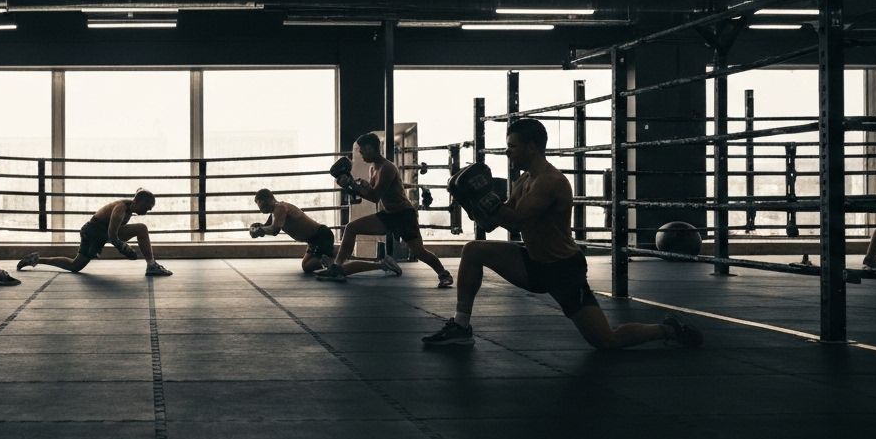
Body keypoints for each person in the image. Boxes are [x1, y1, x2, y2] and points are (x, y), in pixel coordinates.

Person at [423, 118, 703, 349]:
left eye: (512, 146)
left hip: (563, 270)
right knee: (473, 250)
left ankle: (668, 330)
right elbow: (493, 225)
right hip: (533, 262)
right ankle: (461, 325)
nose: (507, 152)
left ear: (530, 147)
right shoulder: (524, 180)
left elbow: (517, 220)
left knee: (606, 340)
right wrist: (471, 203)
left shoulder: (550, 181)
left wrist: (485, 198)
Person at [319, 133, 454, 286]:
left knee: (419, 251)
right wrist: (352, 186)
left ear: (371, 148)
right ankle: (336, 268)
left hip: (403, 215)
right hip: (388, 214)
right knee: (351, 228)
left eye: (362, 150)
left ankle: (444, 274)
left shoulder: (387, 168)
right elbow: (369, 193)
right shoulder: (373, 168)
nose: (361, 154)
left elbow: (375, 196)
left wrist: (355, 187)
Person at [16, 189, 172, 276]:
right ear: (138, 202)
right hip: (95, 232)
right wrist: (125, 249)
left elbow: (112, 233)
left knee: (75, 265)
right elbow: (112, 235)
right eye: (147, 206)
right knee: (142, 228)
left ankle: (36, 259)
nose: (148, 210)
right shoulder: (121, 209)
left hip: (92, 232)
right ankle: (151, 265)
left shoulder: (130, 208)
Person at [249, 189, 336, 273]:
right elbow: (267, 228)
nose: (259, 208)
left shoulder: (281, 208)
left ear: (267, 200)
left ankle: (336, 260)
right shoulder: (275, 212)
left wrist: (259, 230)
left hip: (321, 236)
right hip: (314, 240)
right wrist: (256, 228)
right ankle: (331, 255)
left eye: (259, 203)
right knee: (306, 265)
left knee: (308, 266)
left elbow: (274, 229)